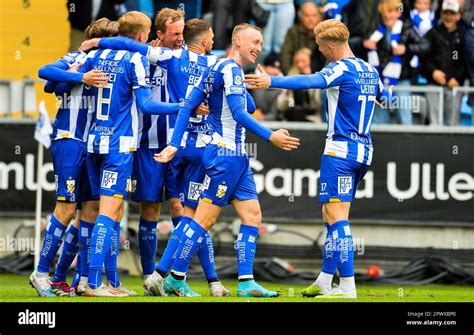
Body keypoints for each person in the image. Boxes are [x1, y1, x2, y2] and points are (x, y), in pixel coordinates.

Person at [82, 18, 232, 296]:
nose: (179, 38)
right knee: (151, 211)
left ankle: (185, 278)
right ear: (158, 34)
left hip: (183, 146)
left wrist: (96, 44)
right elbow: (128, 46)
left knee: (185, 211)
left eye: (182, 33)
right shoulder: (152, 57)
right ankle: (151, 275)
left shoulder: (184, 59)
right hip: (149, 146)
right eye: (175, 33)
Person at [155, 23, 300, 297]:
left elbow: (190, 105)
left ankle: (245, 282)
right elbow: (240, 113)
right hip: (224, 154)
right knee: (203, 220)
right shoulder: (230, 68)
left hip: (237, 156)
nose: (259, 46)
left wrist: (175, 144)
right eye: (254, 41)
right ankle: (174, 277)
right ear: (237, 41)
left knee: (252, 215)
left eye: (260, 41)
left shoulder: (219, 68)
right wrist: (271, 136)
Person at [245, 19, 384, 299]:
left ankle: (347, 286)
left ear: (331, 46)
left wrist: (272, 80)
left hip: (340, 152)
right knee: (330, 215)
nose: (320, 53)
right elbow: (384, 97)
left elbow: (310, 80)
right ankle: (325, 279)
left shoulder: (340, 68)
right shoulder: (370, 70)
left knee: (337, 218)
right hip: (363, 151)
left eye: (321, 48)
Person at [77, 11, 181, 296]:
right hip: (119, 146)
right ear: (140, 35)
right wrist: (181, 107)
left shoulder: (97, 56)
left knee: (104, 211)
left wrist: (94, 44)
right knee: (108, 213)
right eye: (146, 32)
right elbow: (146, 105)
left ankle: (93, 280)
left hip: (94, 141)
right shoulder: (134, 59)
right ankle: (94, 284)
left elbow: (57, 73)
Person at [30, 18, 118, 297]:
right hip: (70, 140)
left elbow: (52, 87)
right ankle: (41, 271)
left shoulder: (114, 65)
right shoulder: (79, 58)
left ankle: (80, 279)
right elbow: (44, 72)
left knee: (91, 211)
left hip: (94, 145)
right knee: (66, 209)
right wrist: (78, 76)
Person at [422, 0, 468, 125]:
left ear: (458, 16)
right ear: (441, 14)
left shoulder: (464, 35)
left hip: (455, 84)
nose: (448, 17)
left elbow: (466, 61)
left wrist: (457, 78)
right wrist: (433, 72)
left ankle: (453, 145)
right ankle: (433, 144)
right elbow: (424, 58)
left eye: (452, 14)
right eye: (445, 13)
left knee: (453, 123)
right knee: (434, 123)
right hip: (433, 84)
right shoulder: (432, 33)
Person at [279, 2, 326, 74]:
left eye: (314, 16)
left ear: (320, 17)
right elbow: (285, 55)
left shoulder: (325, 33)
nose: (310, 19)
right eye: (307, 16)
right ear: (301, 17)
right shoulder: (293, 31)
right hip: (295, 73)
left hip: (318, 74)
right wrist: (289, 73)